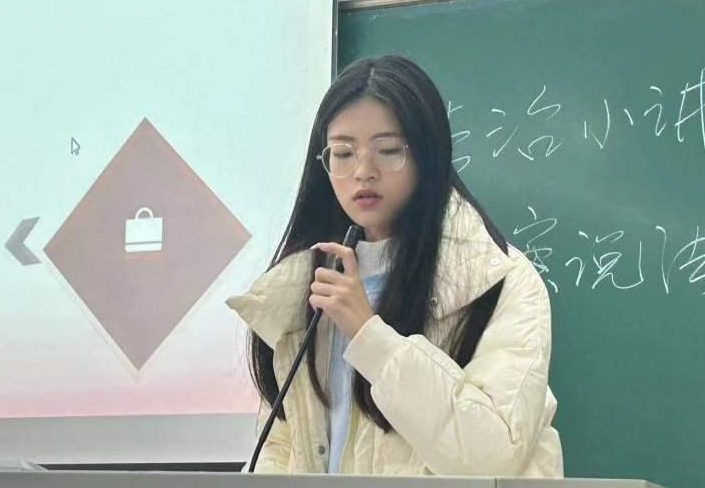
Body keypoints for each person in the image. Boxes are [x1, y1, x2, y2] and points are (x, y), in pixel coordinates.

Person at [226, 54, 562, 476]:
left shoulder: (499, 280)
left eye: (388, 150)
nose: (363, 171)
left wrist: (370, 335)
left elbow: (492, 457)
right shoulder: (304, 286)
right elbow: (280, 448)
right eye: (343, 153)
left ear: (428, 156)